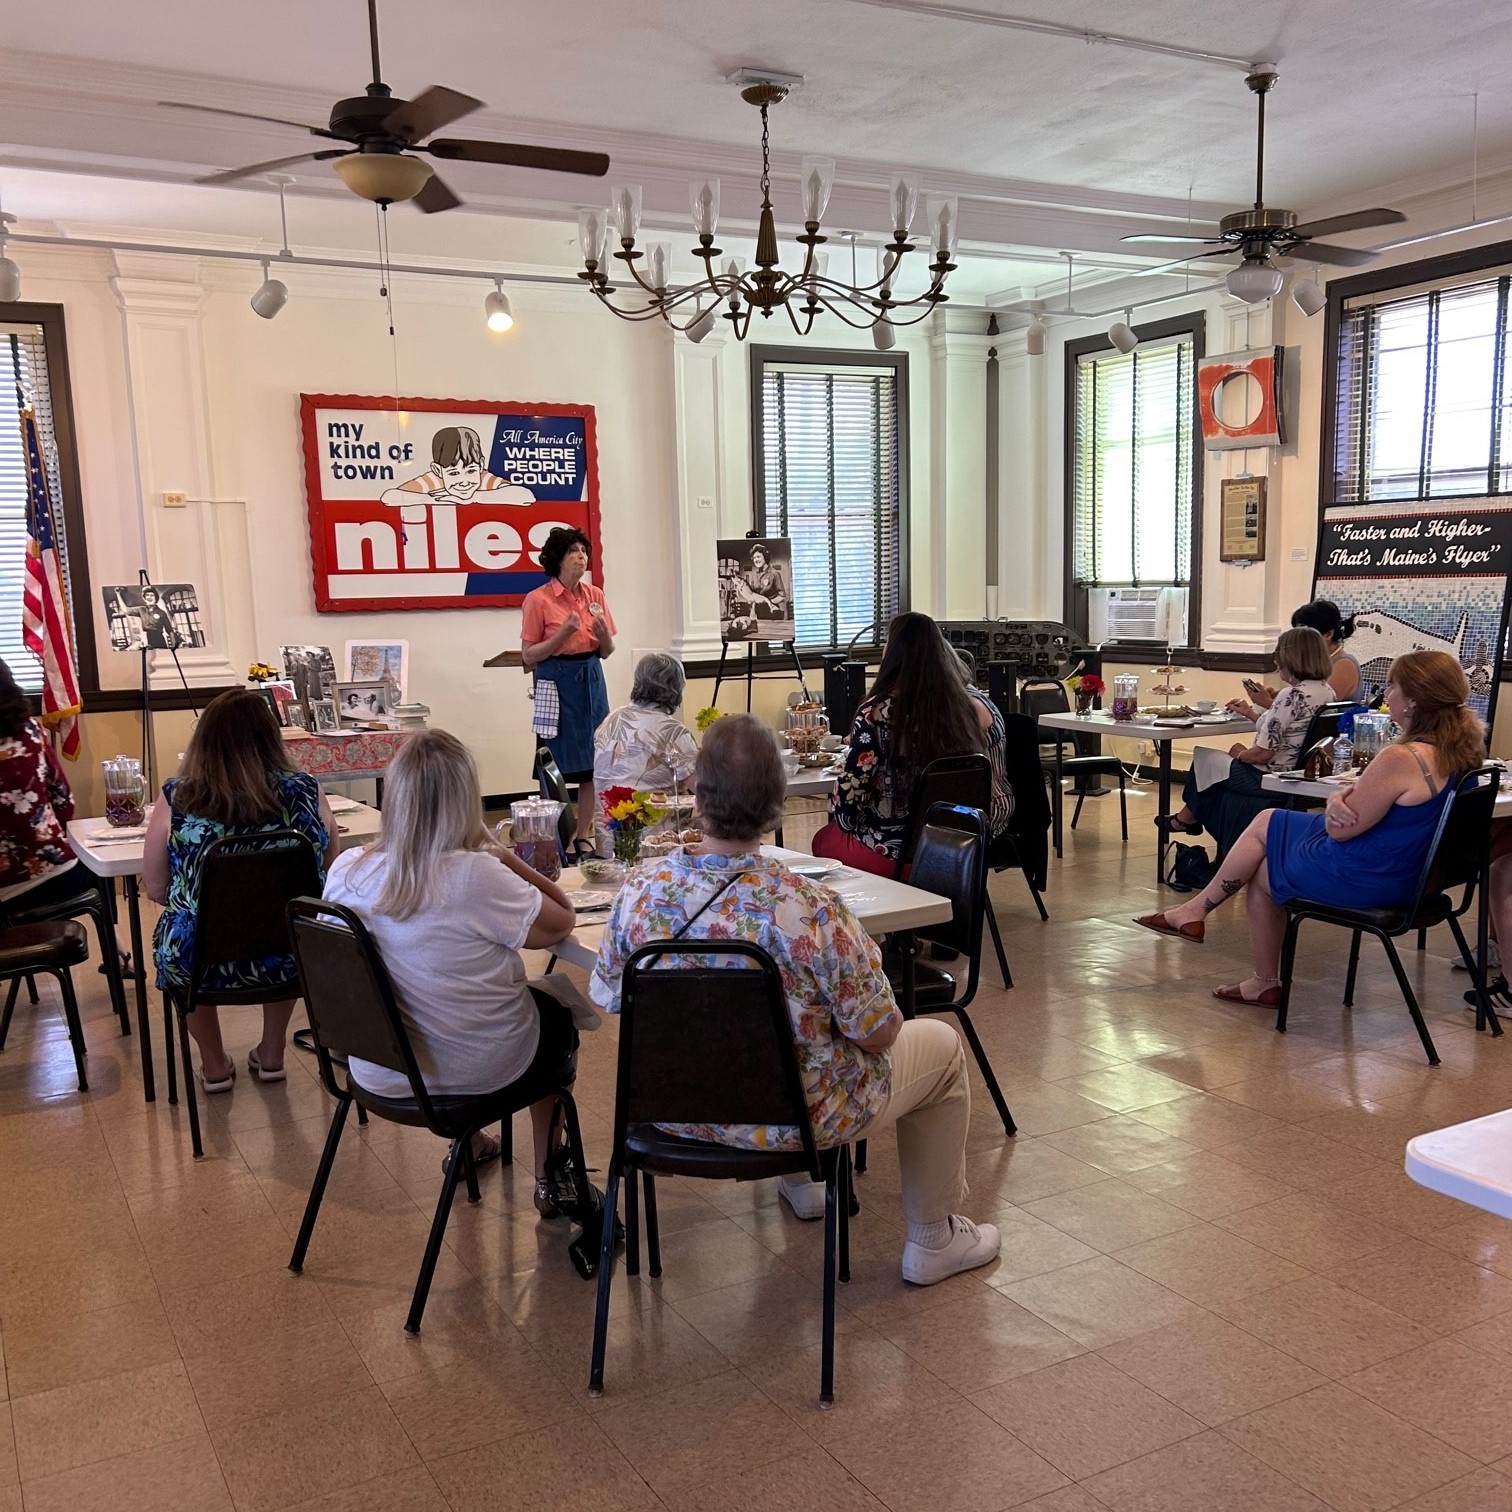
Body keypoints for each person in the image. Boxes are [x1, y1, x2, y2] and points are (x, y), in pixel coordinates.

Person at [589, 714, 1001, 1285]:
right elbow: (880, 1033)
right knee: (941, 1048)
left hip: (669, 1115)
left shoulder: (640, 894)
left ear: (697, 795)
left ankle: (803, 1185)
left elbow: (609, 996)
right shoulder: (811, 908)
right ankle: (932, 1237)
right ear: (776, 802)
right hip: (798, 1120)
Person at [1134, 652, 1486, 1006]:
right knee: (1268, 839)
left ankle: (1215, 931)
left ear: (1412, 701)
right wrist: (1345, 798)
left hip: (1375, 876)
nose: (1387, 692)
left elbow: (1340, 831)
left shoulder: (1401, 758)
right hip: (1416, 875)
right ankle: (1227, 946)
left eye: (1392, 685)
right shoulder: (1465, 752)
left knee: (1266, 842)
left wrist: (1336, 800)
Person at [324, 730, 580, 1208]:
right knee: (559, 1017)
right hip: (473, 1070)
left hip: (376, 1068)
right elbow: (562, 916)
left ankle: (470, 1144)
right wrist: (501, 852)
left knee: (432, 985)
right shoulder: (474, 875)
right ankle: (548, 1175)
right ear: (466, 800)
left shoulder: (346, 869)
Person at [144, 689, 337, 1091]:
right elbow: (329, 870)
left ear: (205, 739)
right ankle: (271, 1053)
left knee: (187, 928)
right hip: (292, 952)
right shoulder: (306, 789)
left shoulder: (177, 796)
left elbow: (157, 888)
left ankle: (214, 1065)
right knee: (290, 920)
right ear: (272, 737)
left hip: (201, 959)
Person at [812, 612, 990, 877]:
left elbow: (849, 806)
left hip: (894, 854)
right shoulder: (964, 709)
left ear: (893, 653)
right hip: (951, 850)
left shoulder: (875, 714)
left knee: (823, 839)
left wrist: (836, 804)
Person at [1157, 627, 1335, 857]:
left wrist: (1239, 754)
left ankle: (1188, 819)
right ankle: (1188, 820)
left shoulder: (1290, 695)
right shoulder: (1327, 692)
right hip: (1301, 772)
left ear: (1289, 657)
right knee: (1216, 772)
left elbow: (1262, 754)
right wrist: (1254, 712)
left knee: (1204, 759)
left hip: (1272, 777)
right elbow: (1294, 728)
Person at [520, 526, 617, 855]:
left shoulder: (595, 596)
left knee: (593, 763)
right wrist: (562, 634)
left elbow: (607, 651)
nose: (581, 556)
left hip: (591, 679)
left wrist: (603, 635)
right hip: (556, 683)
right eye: (574, 551)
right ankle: (556, 835)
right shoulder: (538, 599)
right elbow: (529, 655)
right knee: (555, 762)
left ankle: (583, 832)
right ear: (557, 559)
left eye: (584, 551)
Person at [0, 658, 100, 913]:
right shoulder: (30, 731)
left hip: (8, 886)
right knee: (99, 875)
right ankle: (117, 946)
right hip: (54, 870)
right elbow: (63, 800)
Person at [593, 653, 698, 792]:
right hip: (651, 812)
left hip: (607, 811)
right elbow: (701, 789)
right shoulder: (672, 732)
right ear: (677, 688)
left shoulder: (612, 718)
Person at [380, 425, 535, 506]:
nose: (464, 480)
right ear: (437, 470)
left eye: (470, 470)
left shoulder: (484, 478)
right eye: (454, 473)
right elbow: (389, 497)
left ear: (480, 465)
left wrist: (474, 498)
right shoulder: (433, 480)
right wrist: (439, 500)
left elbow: (526, 496)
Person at [1248, 600, 1363, 707]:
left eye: (1305, 634)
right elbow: (1306, 693)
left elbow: (1312, 708)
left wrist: (1267, 702)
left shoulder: (1344, 664)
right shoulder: (1316, 661)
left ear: (1328, 634)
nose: (1299, 639)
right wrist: (1277, 696)